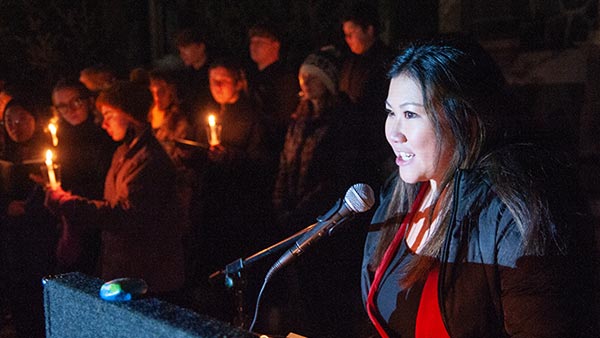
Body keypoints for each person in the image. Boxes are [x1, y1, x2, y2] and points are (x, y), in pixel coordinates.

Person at [361, 38, 596, 337]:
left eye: (410, 114)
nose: (394, 132)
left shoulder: (514, 210)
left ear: (464, 117)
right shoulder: (400, 195)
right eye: (390, 112)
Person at [44, 80, 185, 299]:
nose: (103, 123)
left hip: (147, 278)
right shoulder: (123, 153)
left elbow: (125, 215)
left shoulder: (148, 161)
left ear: (130, 115)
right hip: (124, 270)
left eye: (109, 115)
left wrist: (71, 204)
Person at [268, 48, 368, 337]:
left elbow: (335, 176)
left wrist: (303, 212)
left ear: (327, 81)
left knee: (326, 296)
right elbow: (285, 164)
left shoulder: (341, 120)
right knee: (301, 294)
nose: (305, 83)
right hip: (293, 218)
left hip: (323, 223)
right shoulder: (299, 118)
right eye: (302, 77)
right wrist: (280, 204)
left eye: (312, 77)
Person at [0, 96, 56, 338]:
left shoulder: (48, 154)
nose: (15, 125)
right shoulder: (3, 153)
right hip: (10, 244)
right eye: (9, 120)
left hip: (41, 240)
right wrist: (5, 207)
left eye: (22, 118)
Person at [50, 78, 117, 274]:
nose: (70, 109)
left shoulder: (106, 135)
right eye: (62, 106)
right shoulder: (60, 138)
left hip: (99, 219)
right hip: (72, 219)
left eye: (75, 102)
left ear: (88, 101)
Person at [246, 21, 299, 158]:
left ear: (275, 45)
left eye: (260, 42)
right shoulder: (252, 77)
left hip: (271, 150)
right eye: (252, 42)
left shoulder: (284, 78)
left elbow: (282, 117)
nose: (254, 47)